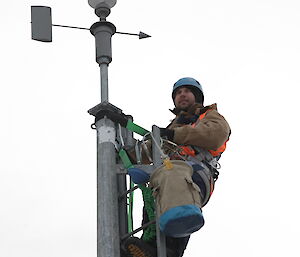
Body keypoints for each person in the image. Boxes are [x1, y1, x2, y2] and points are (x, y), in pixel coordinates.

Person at [123, 77, 231, 257]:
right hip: (168, 176)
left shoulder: (210, 116)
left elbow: (215, 135)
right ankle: (147, 247)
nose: (182, 95)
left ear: (196, 96)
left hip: (195, 174)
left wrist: (175, 134)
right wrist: (120, 142)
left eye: (187, 91)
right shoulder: (171, 129)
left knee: (175, 181)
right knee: (154, 196)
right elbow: (144, 153)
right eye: (178, 93)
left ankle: (172, 250)